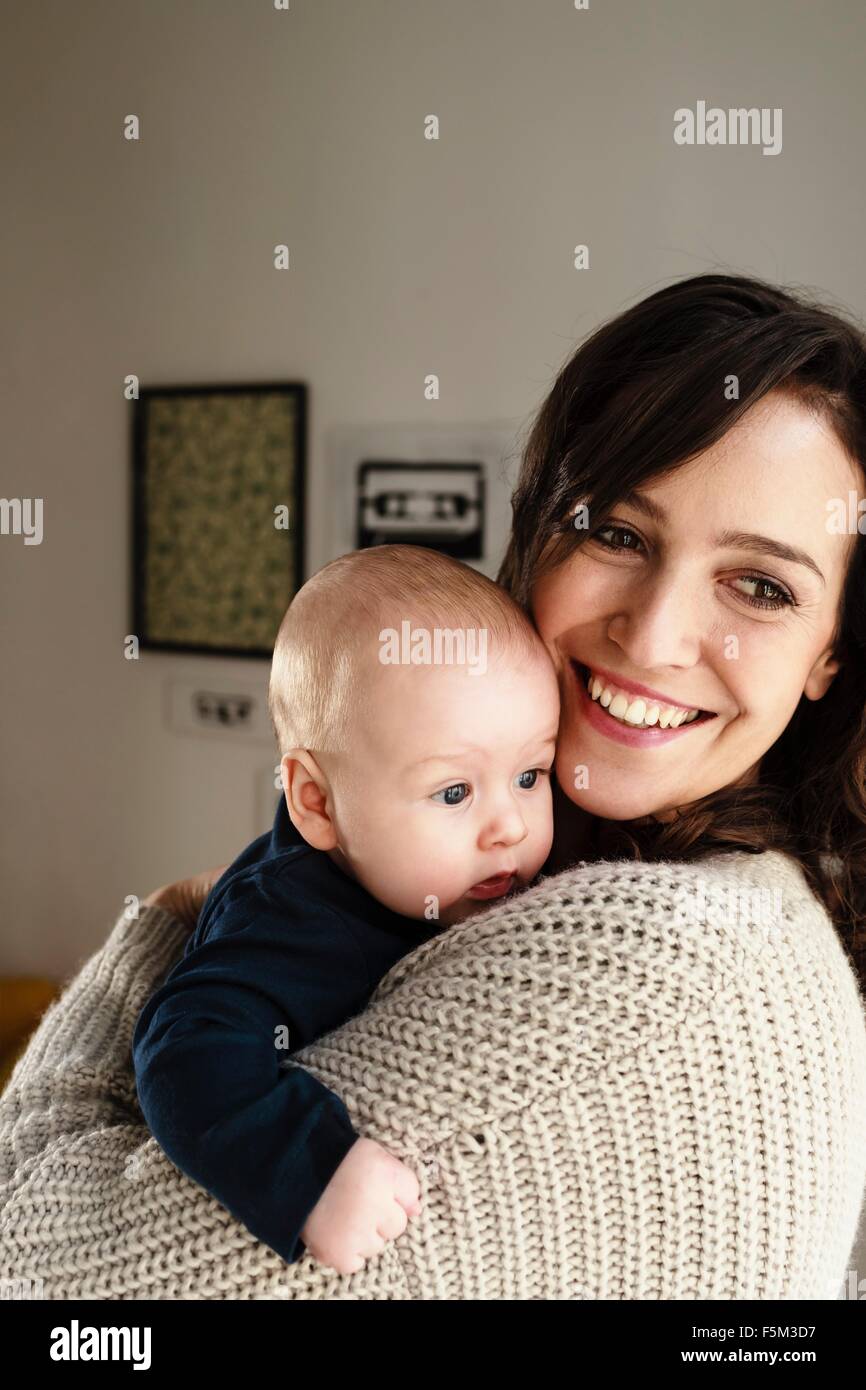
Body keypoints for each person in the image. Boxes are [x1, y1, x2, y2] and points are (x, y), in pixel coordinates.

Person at [3, 272, 866, 1300]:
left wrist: (155, 931)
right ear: (537, 528)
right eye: (617, 533)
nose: (654, 632)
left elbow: (40, 1272)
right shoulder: (705, 897)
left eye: (759, 586)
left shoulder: (655, 963)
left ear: (829, 654)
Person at [132, 545, 559, 1275]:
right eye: (454, 793)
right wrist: (311, 1172)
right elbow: (180, 1052)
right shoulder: (293, 924)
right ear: (317, 804)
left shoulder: (432, 876)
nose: (510, 827)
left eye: (530, 774)